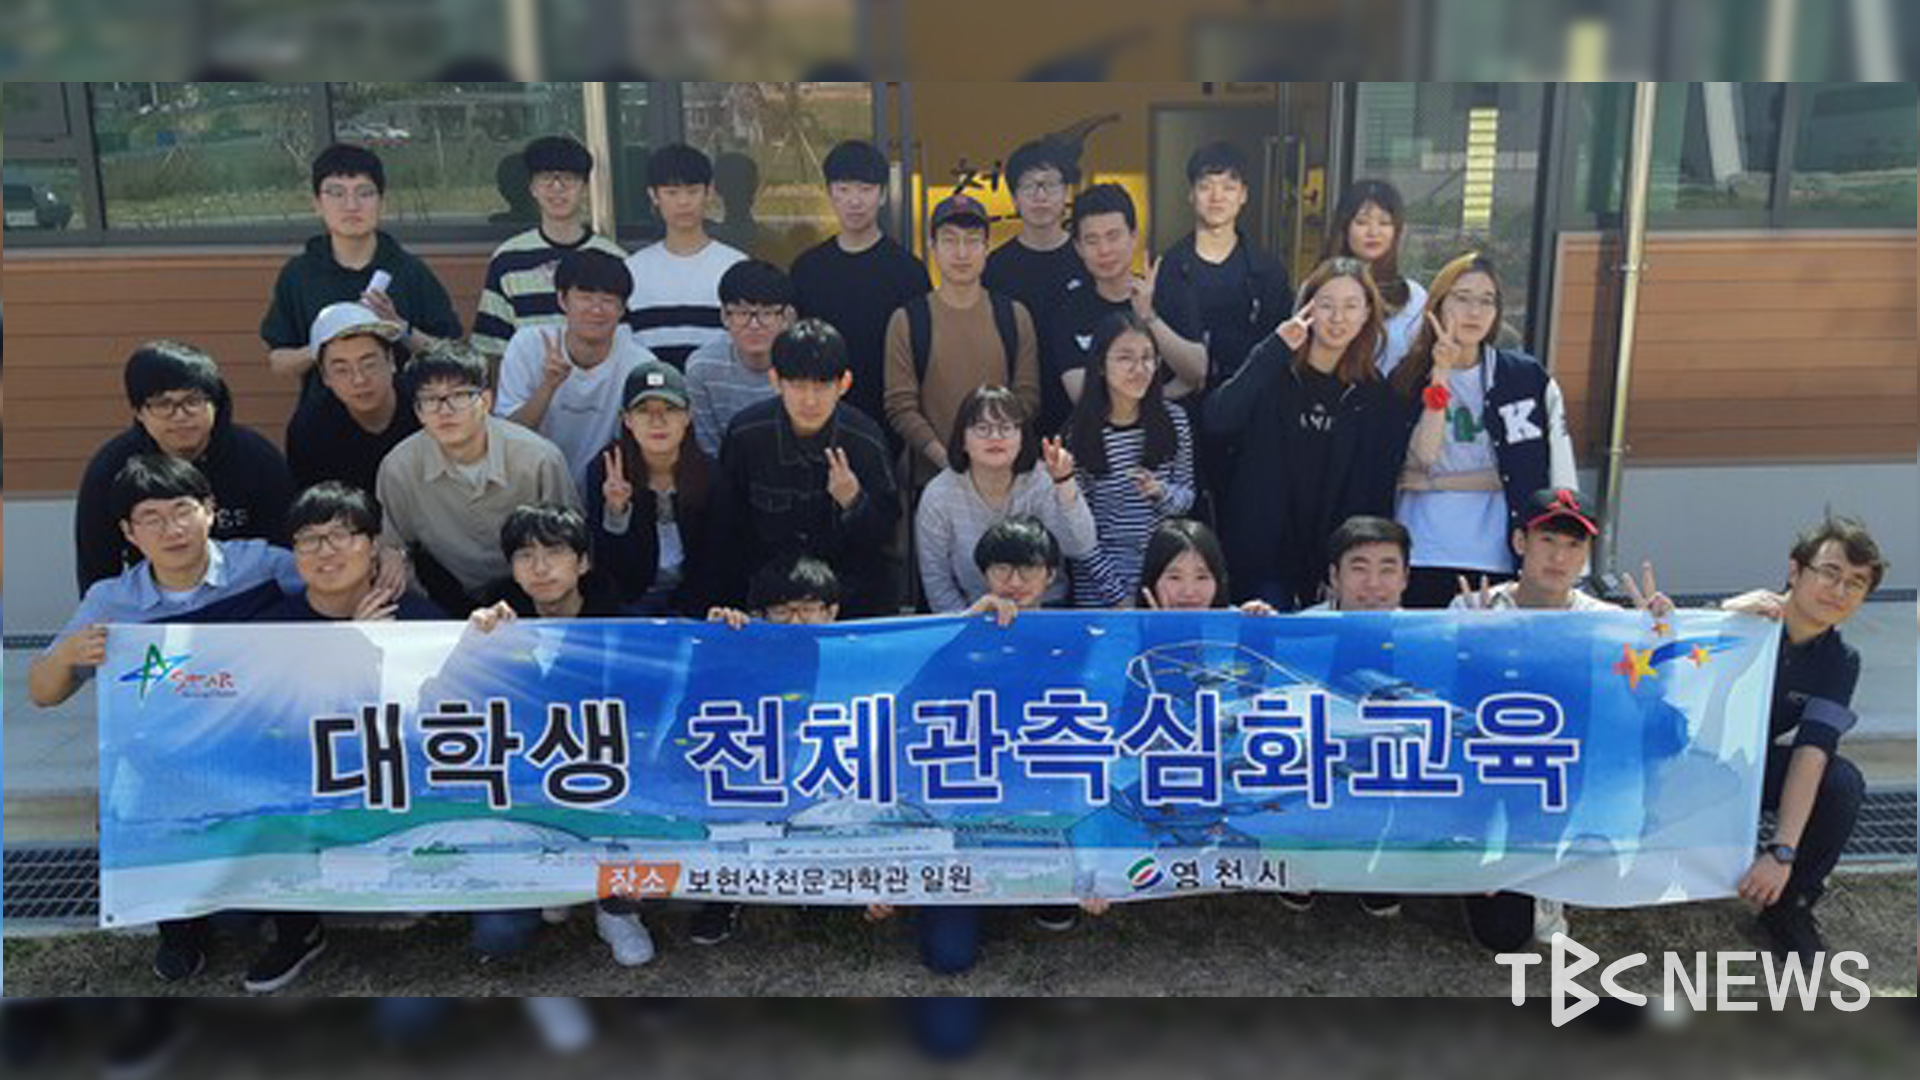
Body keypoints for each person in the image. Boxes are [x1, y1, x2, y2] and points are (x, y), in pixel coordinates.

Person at [29, 455, 312, 985]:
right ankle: (179, 932)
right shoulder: (112, 600)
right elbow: (43, 693)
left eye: (182, 510)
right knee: (136, 797)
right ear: (128, 533)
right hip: (165, 758)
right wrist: (66, 655)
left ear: (210, 510)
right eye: (151, 518)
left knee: (289, 785)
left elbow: (331, 592)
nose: (171, 529)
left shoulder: (263, 565)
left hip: (259, 742)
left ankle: (299, 929)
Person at [870, 518, 1110, 968]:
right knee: (948, 957)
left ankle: (1042, 889)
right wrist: (966, 632)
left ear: (1050, 575)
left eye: (1028, 569)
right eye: (1002, 569)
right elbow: (906, 708)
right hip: (964, 812)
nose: (1014, 582)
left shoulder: (1077, 637)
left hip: (1041, 809)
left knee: (1066, 896)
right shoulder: (961, 631)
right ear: (984, 574)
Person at [1448, 487, 1673, 951]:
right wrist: (1477, 646)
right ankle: (1476, 856)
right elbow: (1449, 705)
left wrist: (1658, 641)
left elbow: (1650, 700)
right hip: (1489, 767)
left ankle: (1552, 874)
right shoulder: (1475, 608)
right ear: (1520, 542)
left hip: (1565, 771)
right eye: (1547, 540)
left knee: (1525, 918)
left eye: (1573, 545)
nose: (1559, 557)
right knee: (1501, 935)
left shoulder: (1608, 621)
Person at [242, 482, 442, 994]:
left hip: (397, 774)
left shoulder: (420, 618)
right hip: (308, 778)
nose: (325, 551)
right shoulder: (268, 629)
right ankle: (297, 930)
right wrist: (351, 645)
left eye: (341, 536)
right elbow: (270, 719)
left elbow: (455, 708)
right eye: (309, 540)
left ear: (373, 546)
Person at [463, 504, 652, 968]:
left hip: (610, 779)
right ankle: (557, 882)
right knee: (497, 937)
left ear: (582, 563)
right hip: (525, 786)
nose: (540, 567)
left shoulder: (625, 625)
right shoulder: (496, 624)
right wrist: (475, 647)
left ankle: (616, 909)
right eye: (525, 556)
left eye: (554, 553)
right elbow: (447, 704)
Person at [1720, 517, 1882, 963]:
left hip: (1740, 768)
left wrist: (1782, 850)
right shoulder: (1744, 619)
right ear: (1795, 570)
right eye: (1829, 572)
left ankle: (1789, 907)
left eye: (1856, 583)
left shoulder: (1840, 661)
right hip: (1670, 760)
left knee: (1840, 782)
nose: (1839, 590)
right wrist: (1719, 616)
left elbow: (1813, 750)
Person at [1205, 257, 1407, 610]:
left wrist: (1347, 566)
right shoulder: (1273, 369)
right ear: (1307, 308)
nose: (1338, 317)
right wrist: (1274, 349)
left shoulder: (1375, 395)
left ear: (1366, 314)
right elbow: (1218, 418)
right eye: (1326, 305)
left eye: (1351, 306)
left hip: (1331, 563)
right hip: (1261, 557)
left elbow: (1375, 489)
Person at [1390, 252, 1577, 609]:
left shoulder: (1523, 379)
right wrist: (1440, 374)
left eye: (1486, 301)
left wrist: (1436, 482)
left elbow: (1522, 471)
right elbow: (1423, 457)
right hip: (1423, 546)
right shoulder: (1406, 378)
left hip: (1495, 552)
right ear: (1437, 305)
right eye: (1462, 298)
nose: (1474, 312)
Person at [713, 319, 900, 618]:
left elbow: (884, 540)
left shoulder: (865, 440)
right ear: (775, 380)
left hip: (845, 602)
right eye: (798, 385)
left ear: (844, 384)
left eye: (822, 386)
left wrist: (854, 502)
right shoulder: (746, 434)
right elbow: (725, 531)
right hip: (767, 602)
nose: (810, 400)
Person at [73, 340, 294, 593]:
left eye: (193, 400)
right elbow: (96, 567)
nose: (180, 415)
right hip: (155, 603)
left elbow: (285, 550)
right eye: (163, 404)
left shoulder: (257, 458)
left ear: (215, 403)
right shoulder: (112, 468)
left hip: (248, 598)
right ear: (139, 412)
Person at [376, 342, 579, 615]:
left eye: (459, 395)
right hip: (445, 599)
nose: (445, 411)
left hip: (532, 595)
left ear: (486, 400)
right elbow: (394, 546)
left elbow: (572, 546)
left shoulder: (539, 459)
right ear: (418, 411)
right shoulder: (399, 467)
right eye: (430, 399)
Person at [261, 143, 462, 403]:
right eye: (336, 193)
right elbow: (279, 363)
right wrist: (327, 342)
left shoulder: (410, 271)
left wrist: (400, 329)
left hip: (406, 415)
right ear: (317, 204)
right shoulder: (298, 274)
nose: (351, 205)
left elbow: (452, 356)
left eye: (364, 193)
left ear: (382, 203)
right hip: (321, 415)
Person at [884, 192, 1041, 487]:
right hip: (932, 482)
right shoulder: (908, 320)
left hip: (1004, 481)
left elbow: (1027, 397)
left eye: (972, 241)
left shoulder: (1014, 316)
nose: (961, 252)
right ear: (932, 246)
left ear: (986, 247)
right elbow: (901, 407)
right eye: (949, 240)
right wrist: (948, 462)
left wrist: (990, 454)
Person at [790, 139, 932, 446]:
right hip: (819, 417)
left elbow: (922, 354)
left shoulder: (909, 271)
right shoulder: (807, 269)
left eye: (865, 189)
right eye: (843, 189)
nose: (855, 201)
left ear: (883, 195)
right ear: (829, 192)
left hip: (890, 420)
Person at [1045, 183, 1207, 435]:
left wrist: (1149, 317)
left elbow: (1197, 372)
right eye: (1092, 240)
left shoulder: (1170, 293)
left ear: (1133, 236)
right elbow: (1082, 394)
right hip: (1101, 448)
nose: (1104, 250)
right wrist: (1167, 392)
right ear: (1078, 247)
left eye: (1113, 236)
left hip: (1168, 443)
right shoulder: (1067, 310)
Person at [916, 386, 1094, 613]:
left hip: (1045, 610)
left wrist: (1064, 482)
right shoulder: (939, 495)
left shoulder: (1043, 481)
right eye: (982, 428)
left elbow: (1081, 547)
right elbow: (937, 581)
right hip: (975, 612)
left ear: (1022, 438)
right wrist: (967, 621)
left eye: (1006, 428)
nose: (995, 437)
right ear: (962, 440)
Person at [1063, 312, 1196, 608]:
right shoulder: (1079, 434)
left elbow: (1187, 497)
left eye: (1148, 357)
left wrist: (1160, 491)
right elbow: (1079, 533)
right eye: (1125, 358)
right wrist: (1117, 596)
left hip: (1163, 580)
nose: (1140, 368)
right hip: (1100, 588)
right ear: (1101, 365)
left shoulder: (1174, 420)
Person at [495, 249, 657, 489]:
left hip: (609, 489)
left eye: (608, 300)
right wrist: (548, 386)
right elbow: (507, 436)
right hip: (532, 489)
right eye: (585, 297)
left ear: (622, 309)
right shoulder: (528, 345)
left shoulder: (639, 364)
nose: (596, 309)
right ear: (562, 300)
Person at [471, 135, 629, 364]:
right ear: (532, 187)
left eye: (568, 179)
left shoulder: (614, 259)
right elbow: (491, 347)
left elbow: (625, 340)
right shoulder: (507, 260)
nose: (557, 188)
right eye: (546, 178)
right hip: (528, 384)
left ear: (585, 187)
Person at [1154, 141, 1293, 391]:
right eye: (1206, 186)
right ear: (1191, 194)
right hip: (1182, 400)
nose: (1217, 197)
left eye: (1229, 187)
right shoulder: (1169, 268)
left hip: (1251, 400)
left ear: (1243, 195)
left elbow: (1280, 348)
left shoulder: (1267, 270)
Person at [583, 361, 715, 615]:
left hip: (694, 607)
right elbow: (604, 566)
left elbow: (718, 560)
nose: (658, 421)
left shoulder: (710, 475)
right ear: (627, 419)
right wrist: (616, 511)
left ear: (687, 416)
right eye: (644, 411)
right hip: (626, 605)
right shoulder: (606, 469)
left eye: (670, 409)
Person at [623, 143, 747, 368]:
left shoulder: (736, 267)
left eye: (692, 191)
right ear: (654, 196)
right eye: (671, 193)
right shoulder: (632, 270)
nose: (683, 202)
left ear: (709, 192)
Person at [284, 302, 420, 504]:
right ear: (325, 376)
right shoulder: (309, 429)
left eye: (369, 364)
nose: (359, 379)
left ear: (391, 361)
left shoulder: (427, 406)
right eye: (342, 370)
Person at [983, 138, 1087, 388]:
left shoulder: (1087, 259)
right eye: (1029, 186)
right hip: (1014, 397)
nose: (1040, 196)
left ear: (1066, 192)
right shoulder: (995, 267)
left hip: (1081, 396)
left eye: (1050, 185)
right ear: (1014, 198)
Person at [685, 259, 792, 458]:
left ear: (785, 317)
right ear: (725, 316)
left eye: (767, 313)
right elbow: (707, 450)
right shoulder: (703, 367)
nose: (754, 325)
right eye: (742, 313)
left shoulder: (802, 365)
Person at [1326, 180, 1427, 375]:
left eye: (1384, 223)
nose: (1373, 232)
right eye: (1362, 222)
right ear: (1344, 228)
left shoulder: (1414, 297)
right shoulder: (1318, 287)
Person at [1133, 518, 1277, 616]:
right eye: (1174, 577)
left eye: (1201, 577)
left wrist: (1258, 631)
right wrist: (1157, 630)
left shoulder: (1236, 625)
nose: (1189, 592)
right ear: (1152, 581)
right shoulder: (1126, 632)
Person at [1304, 515, 1413, 613]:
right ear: (1334, 576)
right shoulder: (1303, 626)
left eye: (1387, 570)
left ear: (1404, 578)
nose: (1373, 584)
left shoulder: (1417, 628)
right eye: (1359, 569)